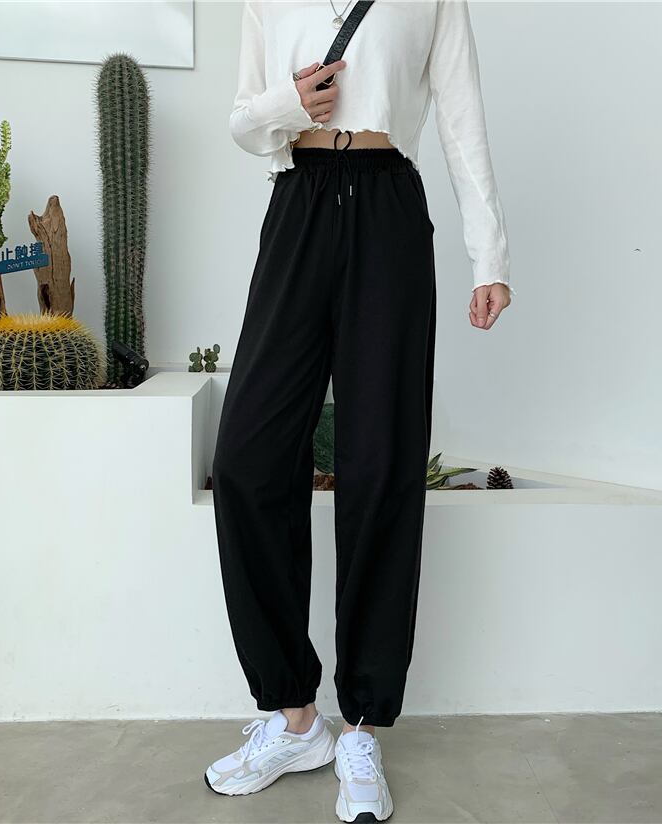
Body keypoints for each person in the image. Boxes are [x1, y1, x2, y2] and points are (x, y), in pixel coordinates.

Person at [206, 1, 514, 821]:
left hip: (389, 212)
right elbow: (244, 121)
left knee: (381, 466)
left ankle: (363, 726)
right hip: (297, 205)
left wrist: (489, 256)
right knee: (247, 461)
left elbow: (462, 119)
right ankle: (294, 717)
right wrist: (289, 103)